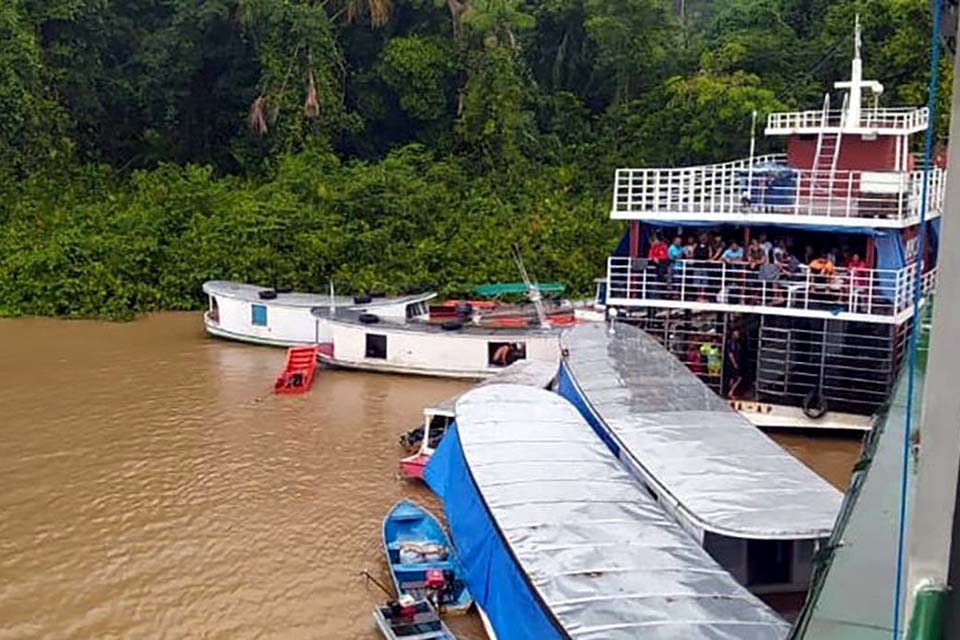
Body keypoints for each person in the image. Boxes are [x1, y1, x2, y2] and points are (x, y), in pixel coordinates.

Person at [725, 329, 744, 399]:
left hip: (734, 362)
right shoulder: (731, 343)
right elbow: (730, 354)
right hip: (732, 363)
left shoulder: (737, 342)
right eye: (736, 333)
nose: (738, 335)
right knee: (739, 377)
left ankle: (731, 392)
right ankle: (731, 391)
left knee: (732, 378)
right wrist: (734, 363)